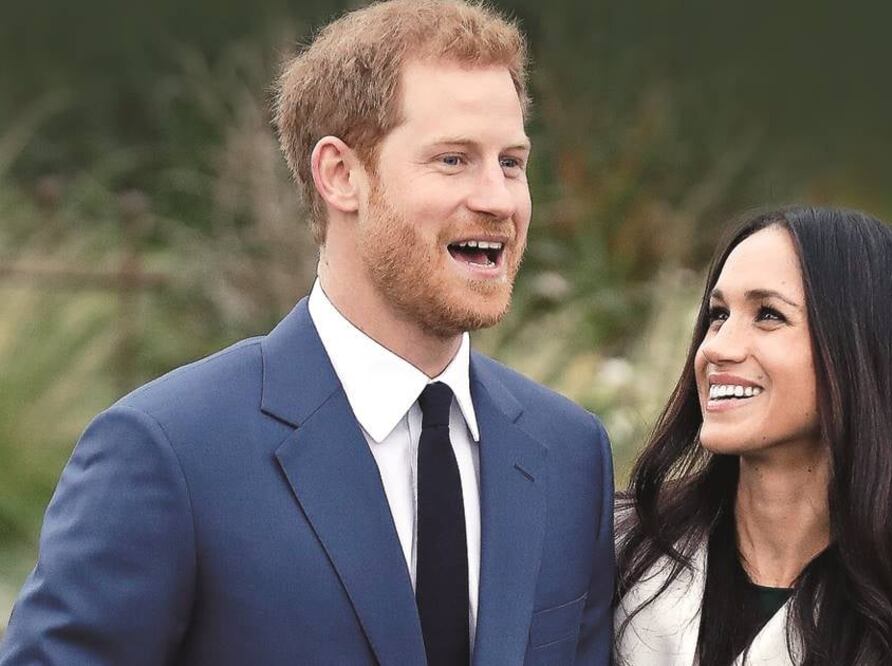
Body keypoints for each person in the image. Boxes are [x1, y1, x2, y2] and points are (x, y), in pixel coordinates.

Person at [0, 1, 614, 664]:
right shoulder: (168, 453)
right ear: (340, 175)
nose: (498, 198)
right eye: (453, 160)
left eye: (512, 162)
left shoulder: (569, 453)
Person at [614, 207, 892, 665]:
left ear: (869, 353)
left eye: (769, 315)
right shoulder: (620, 550)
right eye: (719, 315)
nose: (715, 346)